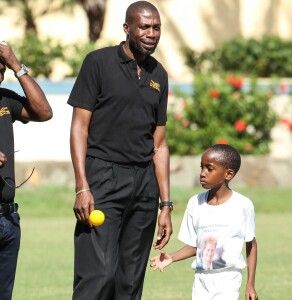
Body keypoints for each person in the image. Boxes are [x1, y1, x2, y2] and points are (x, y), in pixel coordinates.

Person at [67, 1, 172, 299]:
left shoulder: (159, 75)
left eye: (156, 28)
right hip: (103, 177)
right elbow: (79, 128)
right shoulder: (98, 62)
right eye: (144, 26)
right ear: (127, 28)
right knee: (98, 275)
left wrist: (166, 204)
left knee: (130, 280)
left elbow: (160, 144)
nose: (151, 33)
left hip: (144, 185)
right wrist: (82, 186)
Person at [150, 144, 258, 300]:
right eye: (202, 167)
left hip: (228, 277)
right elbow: (196, 246)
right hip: (201, 278)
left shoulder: (243, 205)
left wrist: (250, 285)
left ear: (228, 174)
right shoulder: (195, 203)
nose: (202, 173)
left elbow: (251, 244)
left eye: (209, 168)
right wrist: (171, 257)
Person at [0, 41, 52, 300]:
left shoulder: (5, 100)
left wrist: (17, 67)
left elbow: (44, 112)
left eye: (1, 70)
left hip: (8, 220)